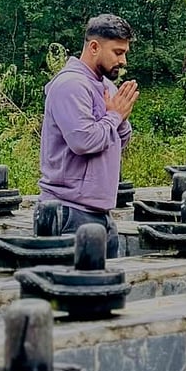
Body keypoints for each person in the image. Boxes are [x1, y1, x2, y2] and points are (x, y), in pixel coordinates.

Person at [39, 14, 140, 258]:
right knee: (74, 293)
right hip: (69, 213)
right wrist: (114, 116)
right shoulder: (71, 85)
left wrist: (120, 118)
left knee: (106, 292)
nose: (123, 60)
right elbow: (84, 141)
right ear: (94, 47)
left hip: (100, 212)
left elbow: (119, 141)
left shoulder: (105, 86)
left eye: (124, 52)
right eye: (117, 52)